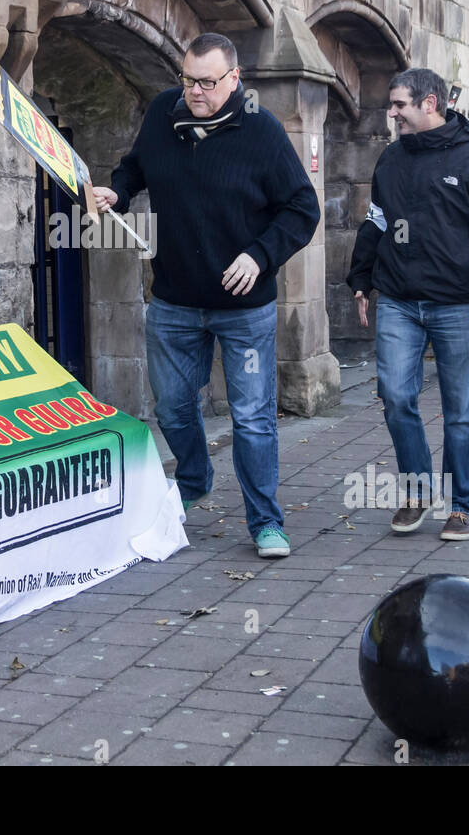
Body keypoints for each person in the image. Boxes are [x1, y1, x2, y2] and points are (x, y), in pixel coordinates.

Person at [93, 33, 320, 558]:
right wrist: (117, 191)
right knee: (172, 408)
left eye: (207, 82)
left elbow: (301, 209)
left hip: (244, 308)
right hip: (174, 298)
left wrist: (259, 255)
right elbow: (136, 167)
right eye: (187, 79)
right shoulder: (162, 115)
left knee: (252, 416)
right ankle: (195, 477)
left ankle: (265, 522)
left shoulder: (261, 132)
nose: (194, 91)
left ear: (234, 80)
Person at [346, 68, 469, 541]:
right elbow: (377, 220)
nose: (393, 112)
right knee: (396, 397)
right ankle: (418, 491)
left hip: (460, 305)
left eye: (400, 104)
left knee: (461, 410)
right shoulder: (390, 160)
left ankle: (463, 504)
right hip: (399, 302)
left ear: (430, 103)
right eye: (392, 104)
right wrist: (361, 277)